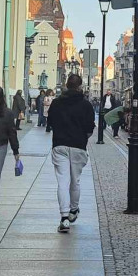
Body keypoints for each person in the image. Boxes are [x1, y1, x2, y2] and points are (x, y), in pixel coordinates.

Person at [48, 74, 95, 233]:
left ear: (66, 85)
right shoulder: (86, 105)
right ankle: (74, 210)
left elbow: (51, 124)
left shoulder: (56, 103)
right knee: (75, 181)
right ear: (80, 86)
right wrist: (81, 136)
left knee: (62, 181)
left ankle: (64, 217)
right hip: (78, 146)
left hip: (60, 145)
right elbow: (90, 129)